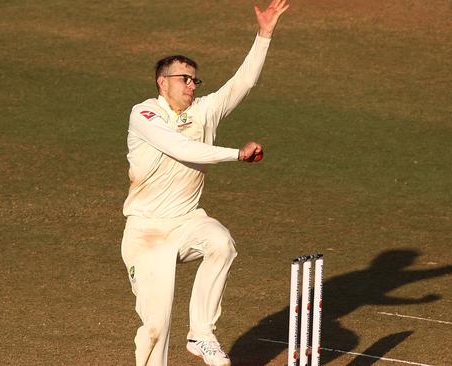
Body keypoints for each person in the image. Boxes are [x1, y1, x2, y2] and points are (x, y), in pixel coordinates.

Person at [120, 1, 289, 365]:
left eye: (195, 79)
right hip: (147, 233)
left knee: (220, 241)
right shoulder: (145, 114)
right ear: (162, 82)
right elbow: (181, 148)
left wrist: (264, 35)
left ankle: (201, 333)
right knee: (155, 327)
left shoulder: (204, 111)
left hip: (186, 220)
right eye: (185, 78)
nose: (192, 85)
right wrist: (236, 155)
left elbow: (243, 83)